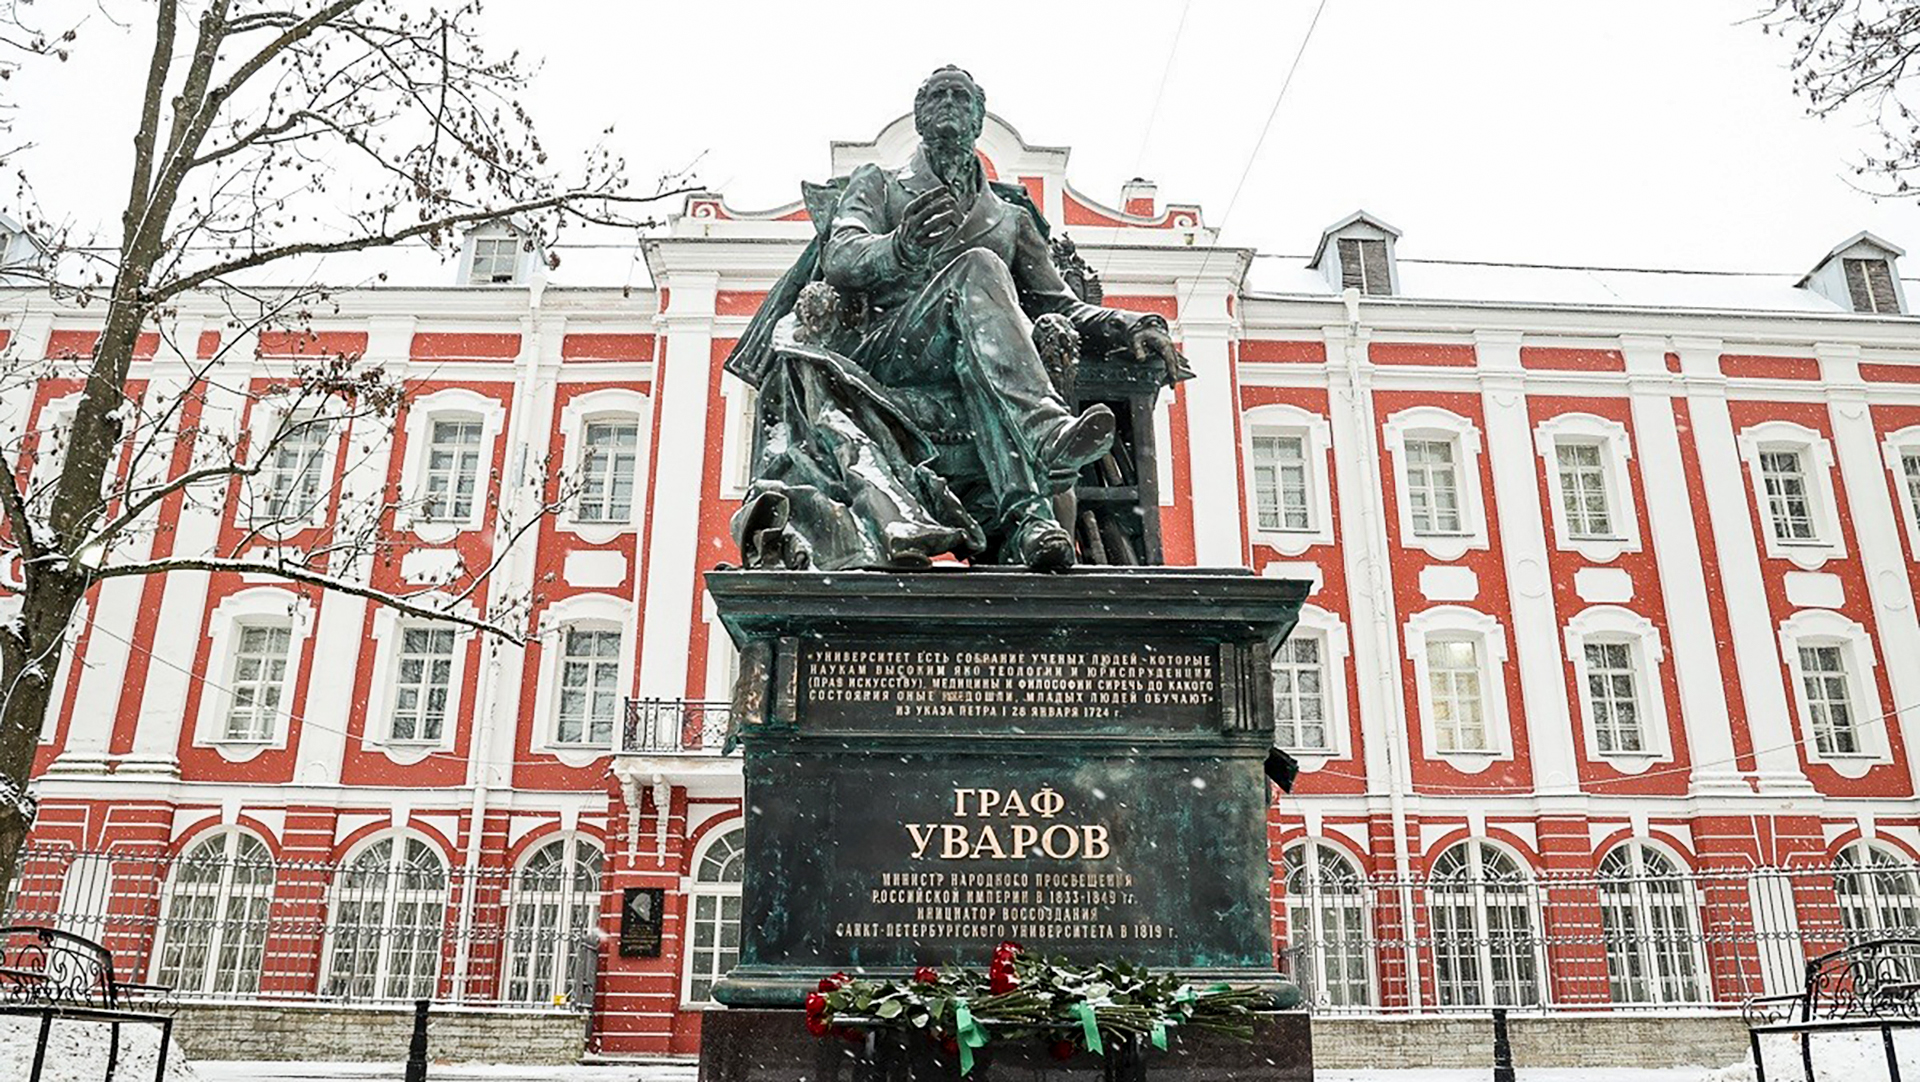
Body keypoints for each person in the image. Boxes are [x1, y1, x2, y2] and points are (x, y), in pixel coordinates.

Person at [728, 66, 1190, 571]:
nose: (949, 102)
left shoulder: (1009, 216)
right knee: (980, 267)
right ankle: (1044, 434)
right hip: (890, 351)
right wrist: (897, 249)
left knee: (982, 343)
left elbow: (1056, 304)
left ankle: (1029, 522)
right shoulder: (880, 185)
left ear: (978, 118)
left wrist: (1131, 326)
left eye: (961, 96)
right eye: (938, 94)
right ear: (920, 115)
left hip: (976, 361)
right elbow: (842, 254)